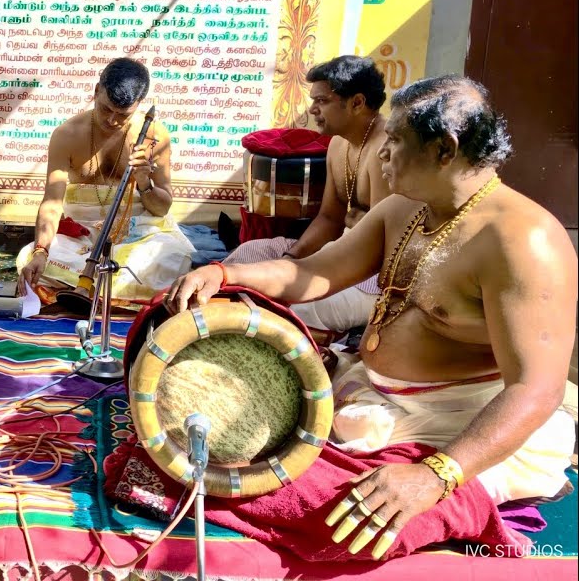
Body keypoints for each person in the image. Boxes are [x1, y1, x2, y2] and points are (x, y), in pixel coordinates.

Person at [163, 76, 575, 558]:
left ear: (445, 149)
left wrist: (433, 476)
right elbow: (315, 274)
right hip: (370, 395)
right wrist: (224, 272)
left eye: (397, 140)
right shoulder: (406, 208)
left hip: (458, 425)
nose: (383, 151)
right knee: (215, 437)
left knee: (345, 518)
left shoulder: (523, 241)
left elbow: (536, 389)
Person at [227, 56, 389, 338]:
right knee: (247, 255)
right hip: (338, 250)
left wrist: (311, 268)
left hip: (372, 277)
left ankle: (317, 342)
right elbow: (329, 218)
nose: (313, 109)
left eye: (322, 101)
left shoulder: (385, 149)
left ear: (357, 103)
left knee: (293, 305)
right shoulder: (338, 144)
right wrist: (291, 258)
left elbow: (379, 243)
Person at [18, 57, 194, 307]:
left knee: (170, 257)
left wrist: (144, 182)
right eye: (105, 109)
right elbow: (53, 202)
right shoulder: (66, 134)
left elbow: (161, 208)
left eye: (122, 115)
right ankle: (108, 295)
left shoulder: (155, 135)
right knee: (30, 258)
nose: (111, 120)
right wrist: (41, 251)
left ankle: (89, 291)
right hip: (81, 235)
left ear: (138, 105)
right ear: (96, 91)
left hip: (138, 233)